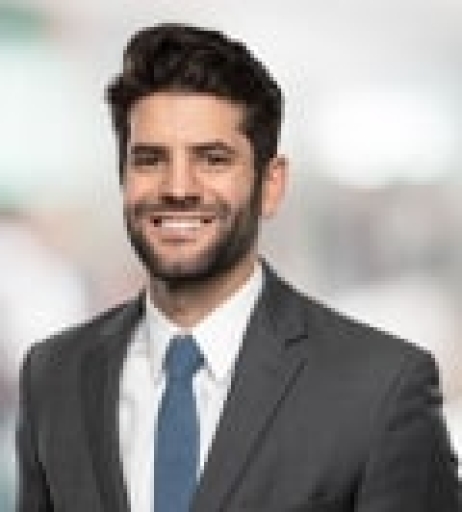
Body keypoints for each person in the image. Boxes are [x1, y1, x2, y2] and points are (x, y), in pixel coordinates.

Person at [16, 23, 459, 512]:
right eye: (150, 159)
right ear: (123, 177)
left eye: (212, 159)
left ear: (271, 185)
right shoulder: (52, 376)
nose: (178, 188)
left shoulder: (380, 389)